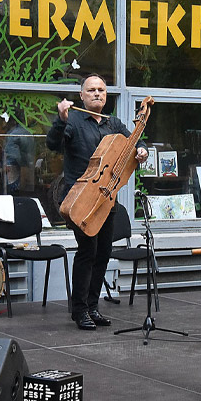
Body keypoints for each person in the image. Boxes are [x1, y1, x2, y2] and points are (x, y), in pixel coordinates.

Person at [47, 74, 148, 330]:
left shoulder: (113, 123)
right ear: (81, 95)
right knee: (87, 251)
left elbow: (132, 141)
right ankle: (79, 310)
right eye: (91, 90)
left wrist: (141, 149)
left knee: (103, 252)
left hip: (106, 197)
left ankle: (93, 306)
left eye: (101, 90)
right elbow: (52, 144)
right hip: (81, 198)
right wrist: (60, 120)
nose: (97, 94)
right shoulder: (73, 120)